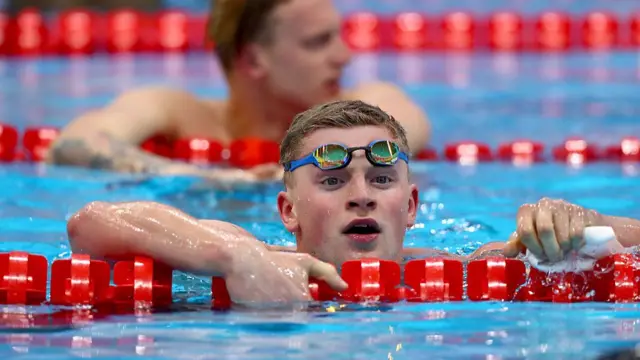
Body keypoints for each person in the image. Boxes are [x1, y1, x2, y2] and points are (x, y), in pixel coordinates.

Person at [66, 100, 640, 306]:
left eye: (382, 180)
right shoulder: (249, 255)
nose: (362, 194)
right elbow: (91, 224)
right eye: (334, 182)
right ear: (287, 212)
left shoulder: (474, 272)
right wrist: (229, 256)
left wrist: (589, 224)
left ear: (411, 205)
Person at [45, 0, 431, 181]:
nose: (344, 57)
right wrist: (193, 177)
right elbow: (73, 144)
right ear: (253, 60)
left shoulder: (365, 105)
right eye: (318, 42)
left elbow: (408, 128)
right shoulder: (179, 113)